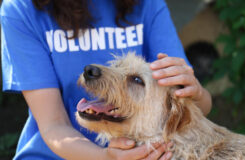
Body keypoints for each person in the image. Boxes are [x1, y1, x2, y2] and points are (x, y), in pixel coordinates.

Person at [0, 0, 212, 159]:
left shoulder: (147, 3)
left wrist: (197, 93)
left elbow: (194, 108)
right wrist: (105, 157)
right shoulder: (20, 9)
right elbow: (53, 124)